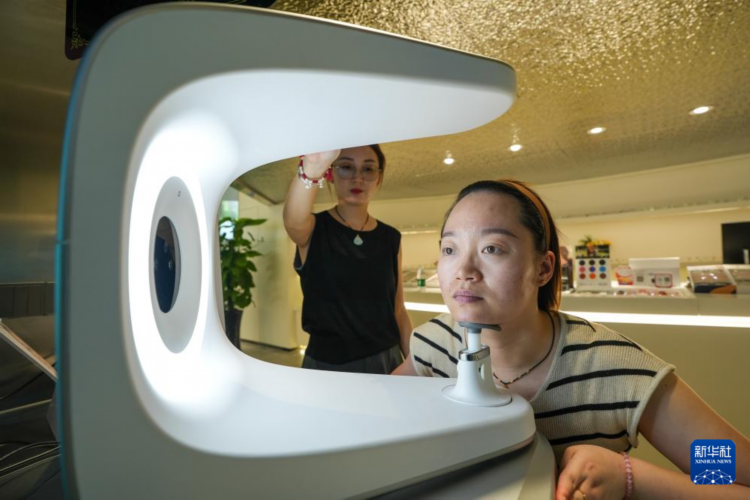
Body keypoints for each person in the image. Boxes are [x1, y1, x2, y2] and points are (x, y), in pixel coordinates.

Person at [393, 179, 750, 499]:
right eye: (450, 249)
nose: (464, 271)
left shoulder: (617, 371)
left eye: (492, 248)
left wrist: (631, 479)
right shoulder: (433, 345)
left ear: (544, 268)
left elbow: (737, 481)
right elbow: (382, 422)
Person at [283, 145, 412, 374]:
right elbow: (292, 221)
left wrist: (415, 363)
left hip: (386, 359)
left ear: (378, 177)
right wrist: (312, 168)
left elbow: (398, 310)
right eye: (346, 167)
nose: (357, 178)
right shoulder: (314, 228)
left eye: (368, 169)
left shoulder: (391, 237)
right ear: (331, 173)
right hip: (327, 363)